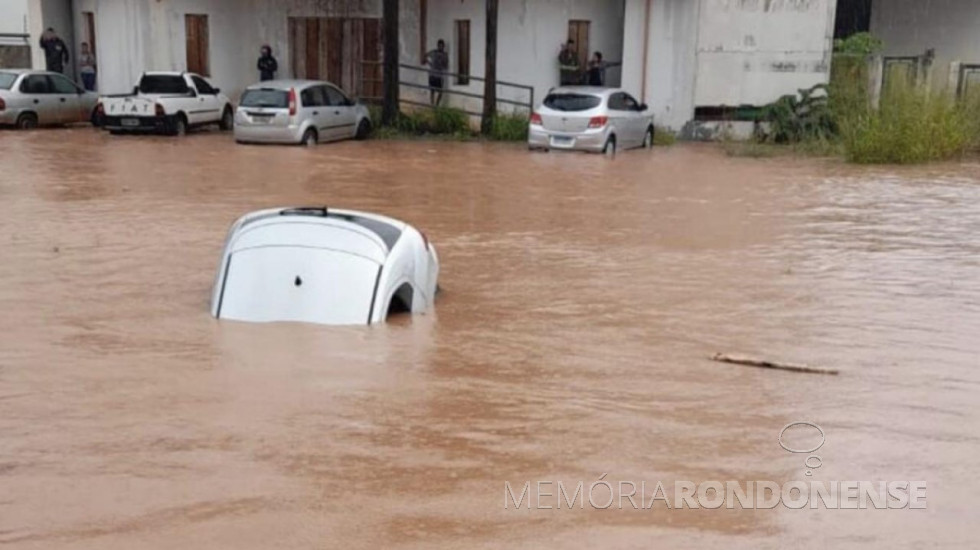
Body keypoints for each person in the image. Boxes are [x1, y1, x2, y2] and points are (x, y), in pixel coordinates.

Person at [423, 39, 449, 106]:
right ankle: (432, 105)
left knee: (440, 92)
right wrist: (429, 63)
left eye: (442, 46)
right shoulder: (433, 52)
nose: (440, 47)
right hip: (432, 74)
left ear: (443, 46)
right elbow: (425, 55)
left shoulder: (445, 55)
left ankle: (437, 105)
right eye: (439, 46)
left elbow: (446, 66)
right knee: (432, 91)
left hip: (439, 75)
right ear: (437, 46)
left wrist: (443, 64)